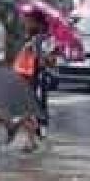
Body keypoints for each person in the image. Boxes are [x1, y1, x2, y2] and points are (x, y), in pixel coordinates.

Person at [13, 8, 56, 150]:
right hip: (26, 77)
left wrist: (41, 55)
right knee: (26, 108)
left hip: (37, 78)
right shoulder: (31, 39)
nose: (25, 23)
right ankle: (31, 137)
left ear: (37, 23)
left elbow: (50, 61)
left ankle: (33, 138)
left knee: (32, 108)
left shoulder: (44, 39)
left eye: (28, 21)